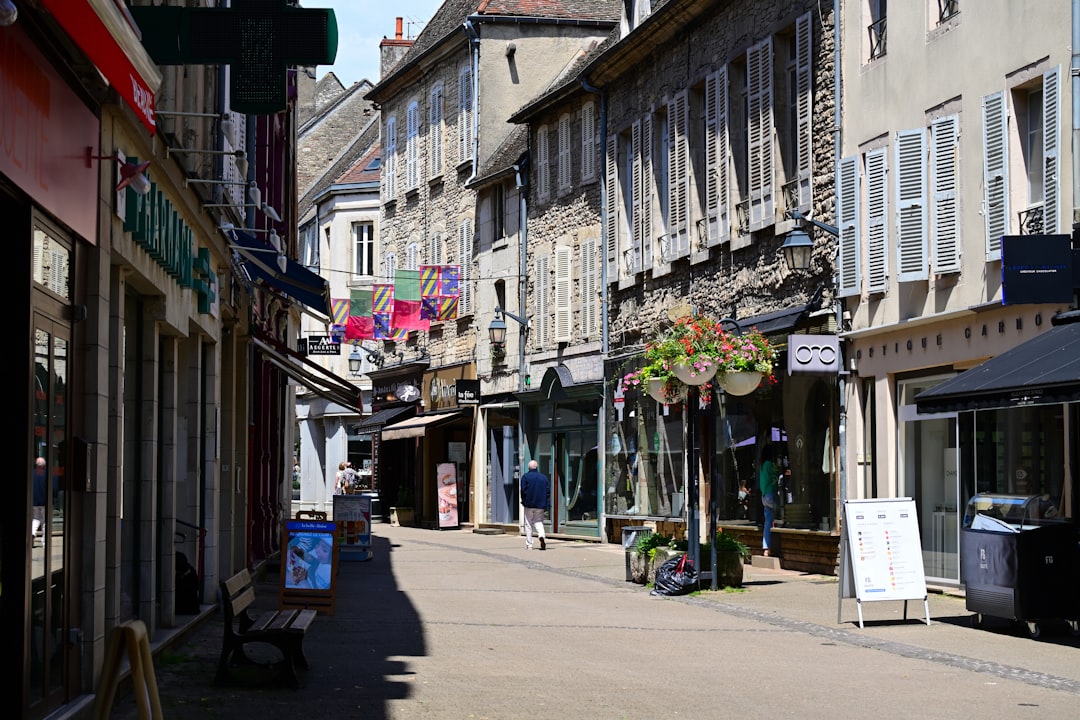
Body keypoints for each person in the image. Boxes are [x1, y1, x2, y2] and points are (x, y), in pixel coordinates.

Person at [520, 460, 550, 550]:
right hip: (540, 504)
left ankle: (529, 544)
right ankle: (541, 535)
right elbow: (548, 491)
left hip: (529, 503)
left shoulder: (525, 477)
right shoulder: (543, 477)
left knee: (528, 523)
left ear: (528, 467)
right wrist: (545, 501)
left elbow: (523, 490)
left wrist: (524, 500)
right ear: (537, 467)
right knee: (538, 521)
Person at [759, 446, 780, 557]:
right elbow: (777, 473)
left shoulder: (762, 465)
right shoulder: (769, 464)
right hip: (771, 494)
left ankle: (766, 548)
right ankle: (778, 546)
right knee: (782, 516)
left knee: (767, 523)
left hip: (764, 496)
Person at [32, 457, 47, 541]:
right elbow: (54, 488)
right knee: (45, 521)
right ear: (44, 465)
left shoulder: (31, 473)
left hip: (34, 501)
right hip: (45, 501)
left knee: (35, 518)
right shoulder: (47, 474)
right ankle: (44, 541)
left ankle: (33, 532)